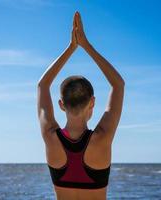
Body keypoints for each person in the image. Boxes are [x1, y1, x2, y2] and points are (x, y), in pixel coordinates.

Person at [37, 11, 125, 200]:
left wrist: (71, 48)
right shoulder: (102, 138)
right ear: (92, 102)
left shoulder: (50, 137)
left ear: (61, 104)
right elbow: (118, 84)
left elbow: (42, 85)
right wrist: (86, 46)